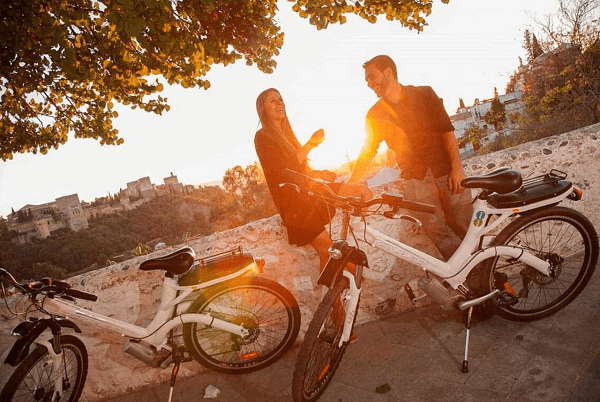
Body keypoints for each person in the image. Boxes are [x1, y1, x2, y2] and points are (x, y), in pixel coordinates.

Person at [347, 55, 473, 261]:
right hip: (416, 182)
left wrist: (457, 168)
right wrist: (351, 182)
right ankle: (471, 280)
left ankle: (489, 280)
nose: (369, 84)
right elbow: (368, 151)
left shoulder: (425, 94)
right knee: (439, 236)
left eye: (372, 77)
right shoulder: (375, 114)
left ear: (388, 72)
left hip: (448, 173)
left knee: (468, 230)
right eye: (367, 80)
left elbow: (447, 131)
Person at [254, 88, 371, 272]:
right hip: (295, 206)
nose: (280, 103)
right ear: (263, 109)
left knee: (362, 191)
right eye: (272, 101)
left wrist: (321, 174)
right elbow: (284, 170)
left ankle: (334, 297)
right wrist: (310, 144)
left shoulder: (288, 137)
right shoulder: (262, 137)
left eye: (281, 99)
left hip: (310, 194)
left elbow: (302, 171)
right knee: (330, 251)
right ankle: (354, 283)